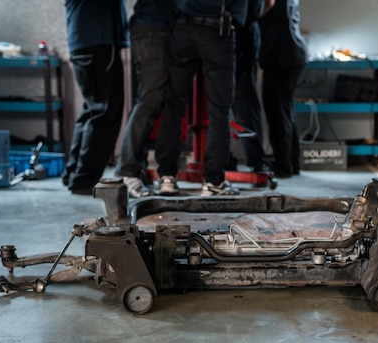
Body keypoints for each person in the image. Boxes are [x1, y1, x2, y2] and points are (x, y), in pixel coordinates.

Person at [155, 0, 248, 196]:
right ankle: (213, 181)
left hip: (183, 28)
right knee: (219, 111)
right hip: (218, 31)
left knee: (174, 105)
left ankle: (166, 177)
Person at [62, 0, 129, 195]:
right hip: (99, 40)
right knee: (104, 112)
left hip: (84, 40)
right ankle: (85, 179)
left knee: (93, 109)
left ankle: (74, 174)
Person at [114, 0, 173, 198]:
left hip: (153, 27)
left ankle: (134, 168)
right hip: (153, 28)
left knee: (149, 99)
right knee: (150, 100)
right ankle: (127, 171)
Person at [259, 0, 308, 178]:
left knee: (277, 111)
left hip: (281, 54)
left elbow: (268, 5)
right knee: (284, 109)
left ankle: (283, 165)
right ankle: (290, 163)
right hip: (291, 53)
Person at [231, 0, 274, 173]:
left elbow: (269, 3)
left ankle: (256, 160)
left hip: (238, 32)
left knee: (241, 99)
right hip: (244, 29)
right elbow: (269, 4)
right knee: (243, 99)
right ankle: (255, 161)